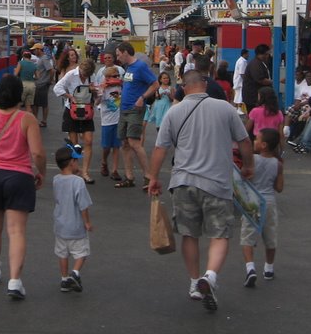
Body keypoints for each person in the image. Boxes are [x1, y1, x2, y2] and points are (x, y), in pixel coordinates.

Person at [146, 69, 255, 312]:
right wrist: (248, 166)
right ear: (204, 84)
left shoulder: (174, 112)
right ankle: (211, 276)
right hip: (217, 183)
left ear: (183, 87)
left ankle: (195, 283)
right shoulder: (225, 108)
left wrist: (153, 178)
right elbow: (244, 140)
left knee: (189, 234)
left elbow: (160, 149)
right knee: (219, 235)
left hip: (183, 183)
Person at [0, 73, 46, 301]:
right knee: (16, 231)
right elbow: (37, 153)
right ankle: (15, 281)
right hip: (19, 176)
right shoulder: (27, 119)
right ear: (18, 94)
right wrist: (41, 172)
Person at [242, 128, 284, 287]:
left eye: (256, 139)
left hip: (252, 201)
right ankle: (269, 268)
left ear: (264, 145)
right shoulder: (278, 164)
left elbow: (242, 177)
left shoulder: (251, 160)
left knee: (247, 237)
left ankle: (250, 268)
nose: (254, 141)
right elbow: (279, 187)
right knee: (270, 237)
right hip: (269, 203)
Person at [114, 41, 158, 189]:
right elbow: (131, 85)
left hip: (134, 109)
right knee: (125, 143)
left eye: (119, 54)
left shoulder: (140, 66)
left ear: (126, 52)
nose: (118, 57)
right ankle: (129, 176)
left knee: (134, 142)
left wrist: (142, 98)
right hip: (124, 108)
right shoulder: (128, 68)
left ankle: (148, 176)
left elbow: (155, 84)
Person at [52, 145, 93, 293]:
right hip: (75, 226)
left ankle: (64, 279)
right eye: (77, 161)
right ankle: (74, 273)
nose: (78, 164)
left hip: (60, 225)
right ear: (71, 163)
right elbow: (83, 205)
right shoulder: (78, 182)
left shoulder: (56, 179)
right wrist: (87, 222)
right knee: (82, 253)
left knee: (62, 253)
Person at [53, 56, 98, 184]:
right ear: (81, 69)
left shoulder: (91, 76)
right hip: (72, 110)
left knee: (88, 141)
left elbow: (97, 94)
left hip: (86, 111)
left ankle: (85, 172)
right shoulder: (71, 75)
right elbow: (57, 88)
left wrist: (94, 91)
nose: (84, 77)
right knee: (75, 144)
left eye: (86, 75)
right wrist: (69, 96)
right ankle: (75, 170)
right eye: (83, 74)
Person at [94, 61, 124, 181]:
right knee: (106, 146)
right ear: (107, 77)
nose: (117, 78)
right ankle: (104, 162)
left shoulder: (120, 86)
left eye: (118, 76)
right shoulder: (103, 87)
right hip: (107, 119)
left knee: (116, 146)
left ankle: (115, 170)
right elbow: (96, 102)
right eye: (114, 76)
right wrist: (101, 90)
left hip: (118, 118)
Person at [242, 44, 272, 112]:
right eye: (266, 54)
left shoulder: (259, 63)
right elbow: (260, 79)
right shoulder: (255, 64)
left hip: (254, 96)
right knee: (254, 116)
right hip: (253, 97)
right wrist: (275, 81)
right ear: (261, 54)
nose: (268, 56)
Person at [33, 45, 56, 128]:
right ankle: (37, 120)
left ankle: (43, 121)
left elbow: (51, 70)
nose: (34, 51)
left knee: (43, 104)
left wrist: (49, 81)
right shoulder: (42, 59)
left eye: (35, 50)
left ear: (39, 50)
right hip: (39, 83)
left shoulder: (44, 59)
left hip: (42, 84)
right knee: (36, 103)